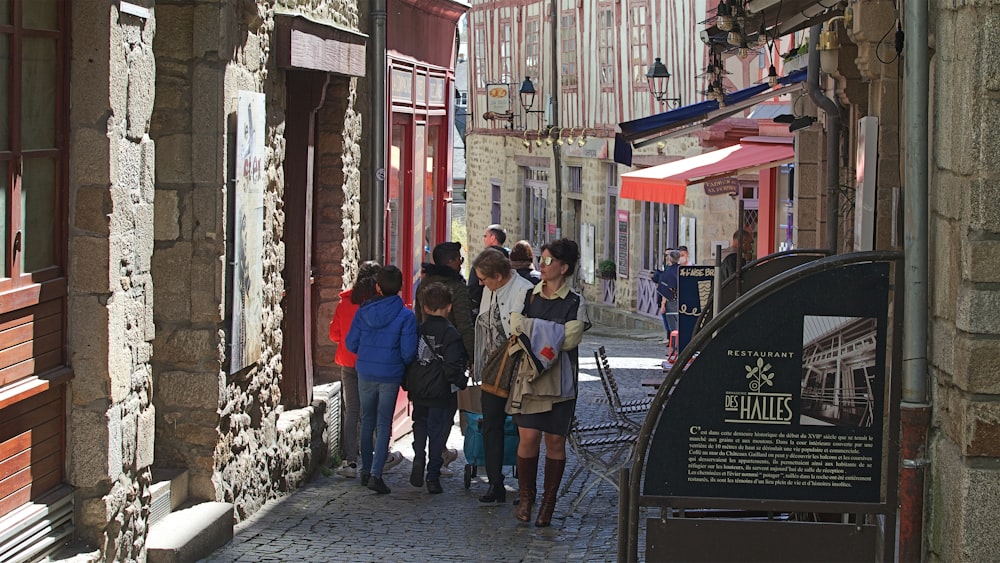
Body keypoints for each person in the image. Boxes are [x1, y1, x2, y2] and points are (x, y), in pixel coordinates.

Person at [507, 238, 591, 527]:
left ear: (563, 267)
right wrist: (547, 332)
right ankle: (526, 497)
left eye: (547, 261)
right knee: (528, 438)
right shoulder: (529, 295)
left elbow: (570, 339)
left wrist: (533, 330)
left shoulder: (575, 302)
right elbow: (515, 326)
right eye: (540, 260)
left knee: (555, 441)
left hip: (561, 381)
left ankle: (548, 503)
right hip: (529, 378)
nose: (541, 266)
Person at [346, 265, 418, 494]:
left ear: (377, 287)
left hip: (365, 371)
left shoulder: (364, 311)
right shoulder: (406, 316)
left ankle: (365, 469)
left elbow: (351, 343)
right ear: (401, 288)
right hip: (390, 373)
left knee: (366, 420)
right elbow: (408, 352)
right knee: (383, 422)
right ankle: (377, 473)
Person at [472, 247, 535, 504]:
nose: (480, 283)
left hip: (517, 367)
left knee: (523, 427)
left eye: (483, 278)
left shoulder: (523, 290)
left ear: (498, 276)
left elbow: (518, 331)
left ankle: (525, 486)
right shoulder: (489, 290)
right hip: (492, 367)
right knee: (491, 425)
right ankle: (495, 482)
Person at [414, 241, 475, 475]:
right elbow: (465, 324)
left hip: (423, 356)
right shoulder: (457, 288)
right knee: (445, 412)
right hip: (450, 356)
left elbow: (419, 319)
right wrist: (471, 356)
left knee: (421, 413)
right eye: (459, 258)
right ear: (450, 261)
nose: (461, 262)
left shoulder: (424, 284)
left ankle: (420, 455)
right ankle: (436, 460)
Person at [405, 282, 469, 494]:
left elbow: (408, 358)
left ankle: (418, 457)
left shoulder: (417, 329)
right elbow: (451, 365)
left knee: (420, 425)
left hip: (419, 388)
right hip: (441, 391)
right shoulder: (450, 333)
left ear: (424, 307)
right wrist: (461, 381)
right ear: (449, 307)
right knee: (438, 433)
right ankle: (433, 475)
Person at [329, 260, 381, 478]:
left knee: (352, 411)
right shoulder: (379, 305)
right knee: (374, 410)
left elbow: (334, 335)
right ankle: (378, 455)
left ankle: (351, 461)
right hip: (371, 363)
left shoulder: (345, 302)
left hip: (349, 362)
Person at [468, 224, 508, 317]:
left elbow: (473, 286)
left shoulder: (483, 259)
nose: (484, 239)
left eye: (485, 236)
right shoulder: (508, 258)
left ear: (493, 238)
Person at [657, 250, 681, 337]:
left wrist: (663, 304)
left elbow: (666, 290)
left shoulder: (668, 271)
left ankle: (674, 344)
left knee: (673, 326)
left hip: (671, 301)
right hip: (682, 301)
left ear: (669, 259)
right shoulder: (681, 269)